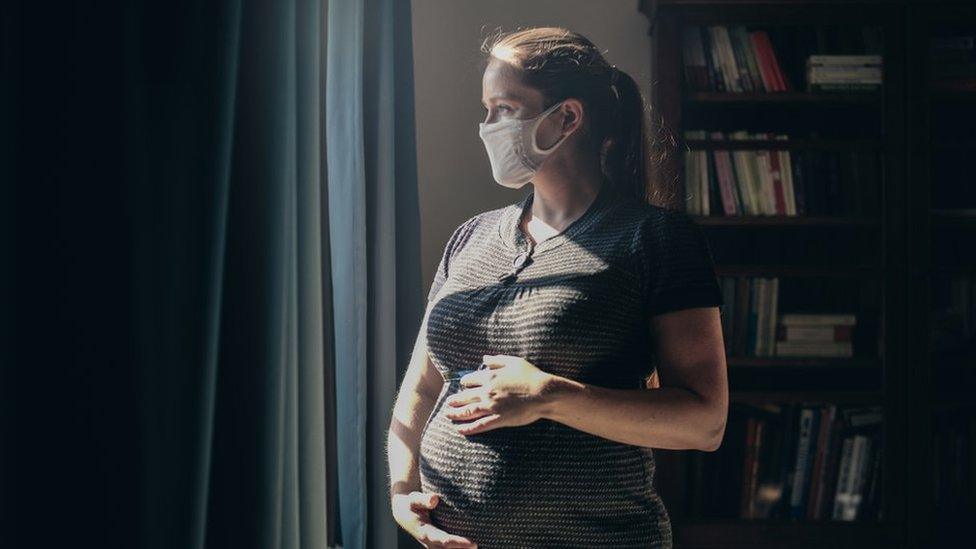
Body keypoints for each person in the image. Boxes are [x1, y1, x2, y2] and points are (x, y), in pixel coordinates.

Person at [387, 26, 728, 548]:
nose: (486, 126)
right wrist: (402, 490)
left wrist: (551, 396)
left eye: (503, 108)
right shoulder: (471, 238)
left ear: (566, 118)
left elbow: (704, 423)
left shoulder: (654, 239)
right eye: (486, 109)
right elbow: (422, 389)